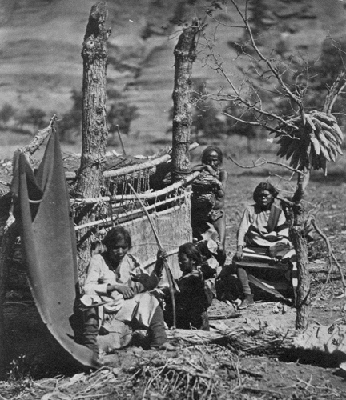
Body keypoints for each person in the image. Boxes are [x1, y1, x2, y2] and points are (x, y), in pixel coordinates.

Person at [80, 226, 175, 356]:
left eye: (124, 247)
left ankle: (159, 341)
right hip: (104, 313)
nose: (120, 252)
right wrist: (115, 287)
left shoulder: (130, 261)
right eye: (116, 247)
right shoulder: (98, 261)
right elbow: (88, 287)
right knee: (89, 301)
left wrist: (158, 264)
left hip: (123, 309)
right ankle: (93, 350)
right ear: (108, 246)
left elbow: (150, 284)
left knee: (151, 297)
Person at [234, 182, 292, 309]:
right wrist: (239, 247)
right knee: (238, 261)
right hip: (256, 247)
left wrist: (279, 247)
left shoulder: (278, 212)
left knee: (290, 261)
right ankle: (247, 295)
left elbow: (283, 233)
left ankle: (290, 292)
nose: (263, 198)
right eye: (260, 196)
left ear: (272, 196)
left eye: (266, 195)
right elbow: (242, 229)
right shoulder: (250, 210)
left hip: (274, 246)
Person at [165, 242, 215, 330]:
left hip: (196, 324)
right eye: (179, 260)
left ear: (193, 260)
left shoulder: (196, 278)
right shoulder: (184, 278)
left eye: (183, 260)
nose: (180, 263)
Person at [191, 146, 228, 265]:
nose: (212, 163)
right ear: (204, 160)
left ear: (220, 161)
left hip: (216, 214)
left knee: (220, 248)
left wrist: (212, 176)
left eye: (215, 160)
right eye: (208, 160)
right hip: (200, 214)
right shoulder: (199, 173)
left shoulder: (222, 174)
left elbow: (221, 193)